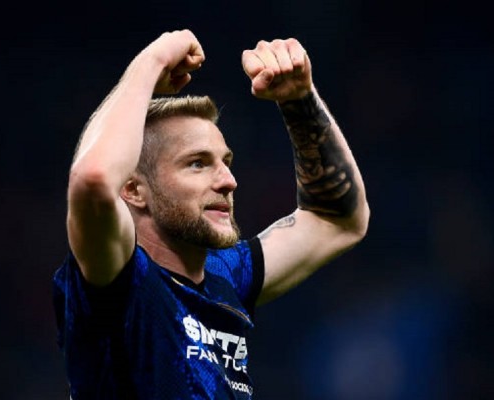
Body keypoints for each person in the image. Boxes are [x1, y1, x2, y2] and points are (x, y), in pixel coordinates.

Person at [53, 28, 370, 399]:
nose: (228, 181)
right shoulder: (120, 283)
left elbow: (339, 219)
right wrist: (150, 62)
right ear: (134, 189)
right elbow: (93, 180)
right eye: (197, 164)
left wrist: (298, 98)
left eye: (226, 162)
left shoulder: (226, 275)